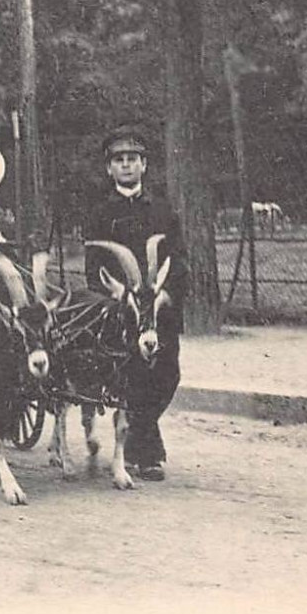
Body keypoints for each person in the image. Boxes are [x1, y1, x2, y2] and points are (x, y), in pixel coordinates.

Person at [84, 124, 187, 482]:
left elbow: (179, 258)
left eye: (133, 159)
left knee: (167, 374)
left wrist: (167, 295)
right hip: (120, 310)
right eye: (119, 160)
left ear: (144, 165)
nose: (126, 166)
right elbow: (93, 266)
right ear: (109, 169)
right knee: (130, 376)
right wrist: (112, 296)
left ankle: (140, 441)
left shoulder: (162, 210)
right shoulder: (100, 213)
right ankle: (144, 453)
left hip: (157, 309)